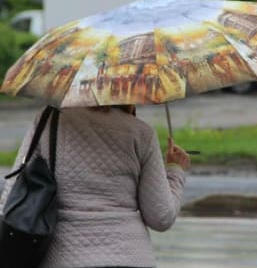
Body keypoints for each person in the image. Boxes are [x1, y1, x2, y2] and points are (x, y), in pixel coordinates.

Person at [0, 104, 191, 268]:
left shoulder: (50, 121)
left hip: (65, 259)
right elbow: (161, 217)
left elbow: (10, 196)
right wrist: (175, 171)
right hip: (130, 257)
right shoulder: (142, 133)